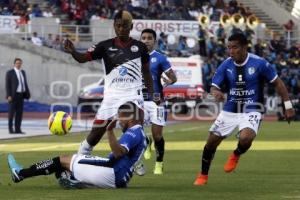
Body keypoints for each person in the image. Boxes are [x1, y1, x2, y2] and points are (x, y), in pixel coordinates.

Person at [193, 33, 295, 186]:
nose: (231, 51)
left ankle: (236, 154)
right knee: (211, 142)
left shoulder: (260, 63)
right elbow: (214, 86)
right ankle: (203, 175)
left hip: (253, 108)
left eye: (235, 47)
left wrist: (288, 106)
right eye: (229, 48)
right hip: (230, 109)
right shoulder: (226, 65)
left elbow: (279, 84)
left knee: (246, 138)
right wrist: (216, 92)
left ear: (244, 47)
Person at [63, 10, 153, 155]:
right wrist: (73, 51)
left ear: (131, 26)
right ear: (114, 26)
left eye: (124, 26)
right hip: (111, 97)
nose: (121, 29)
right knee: (95, 135)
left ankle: (135, 159)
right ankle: (78, 161)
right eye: (118, 26)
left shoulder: (140, 47)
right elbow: (83, 58)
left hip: (133, 96)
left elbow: (147, 72)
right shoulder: (104, 46)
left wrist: (152, 94)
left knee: (131, 126)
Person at [8, 102, 147, 188]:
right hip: (117, 176)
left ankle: (20, 174)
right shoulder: (139, 132)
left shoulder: (133, 133)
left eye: (120, 117)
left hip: (111, 171)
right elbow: (134, 153)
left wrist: (109, 131)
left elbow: (118, 153)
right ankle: (72, 180)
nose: (119, 121)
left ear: (130, 118)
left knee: (63, 159)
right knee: (61, 170)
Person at [135, 28, 177, 175]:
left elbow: (174, 78)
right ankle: (146, 142)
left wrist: (167, 82)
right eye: (143, 38)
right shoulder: (134, 58)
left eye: (149, 38)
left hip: (156, 102)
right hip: (139, 101)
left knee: (157, 135)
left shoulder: (160, 58)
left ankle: (159, 163)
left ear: (154, 41)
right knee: (133, 130)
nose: (146, 40)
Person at [5, 58, 31, 134]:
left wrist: (27, 93)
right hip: (13, 96)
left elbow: (25, 83)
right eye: (17, 63)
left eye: (20, 63)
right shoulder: (10, 73)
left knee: (19, 113)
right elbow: (7, 85)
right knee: (11, 113)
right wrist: (8, 95)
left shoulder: (23, 72)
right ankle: (10, 129)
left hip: (21, 95)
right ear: (14, 64)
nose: (18, 64)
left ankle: (18, 129)